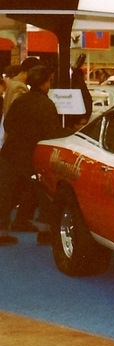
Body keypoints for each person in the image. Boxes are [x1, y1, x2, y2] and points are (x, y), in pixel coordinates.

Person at [0, 65, 72, 246]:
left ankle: (2, 233)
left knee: (5, 194)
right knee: (43, 193)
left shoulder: (21, 100)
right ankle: (45, 231)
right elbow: (51, 132)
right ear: (45, 82)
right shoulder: (46, 104)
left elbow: (8, 124)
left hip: (10, 153)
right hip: (32, 156)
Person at [1, 57, 42, 233]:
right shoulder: (20, 87)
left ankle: (17, 221)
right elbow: (20, 115)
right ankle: (17, 221)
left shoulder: (13, 84)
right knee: (21, 184)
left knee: (15, 185)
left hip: (11, 144)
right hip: (18, 145)